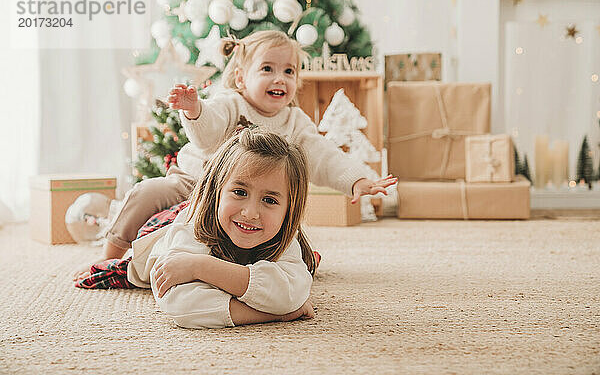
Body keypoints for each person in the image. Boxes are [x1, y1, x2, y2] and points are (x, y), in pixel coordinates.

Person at [73, 29, 396, 281]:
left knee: (298, 251)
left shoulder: (295, 122)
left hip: (253, 200)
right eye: (267, 69)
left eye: (289, 71)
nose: (279, 78)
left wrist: (356, 180)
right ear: (241, 77)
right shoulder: (230, 102)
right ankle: (109, 255)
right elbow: (208, 132)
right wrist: (196, 110)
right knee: (147, 191)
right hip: (196, 182)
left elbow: (322, 155)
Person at [127, 128, 315, 328]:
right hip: (164, 230)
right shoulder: (191, 227)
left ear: (289, 210)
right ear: (217, 190)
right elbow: (181, 305)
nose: (250, 213)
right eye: (240, 192)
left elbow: (291, 293)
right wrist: (279, 314)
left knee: (309, 262)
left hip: (215, 247)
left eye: (269, 200)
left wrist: (199, 267)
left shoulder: (284, 235)